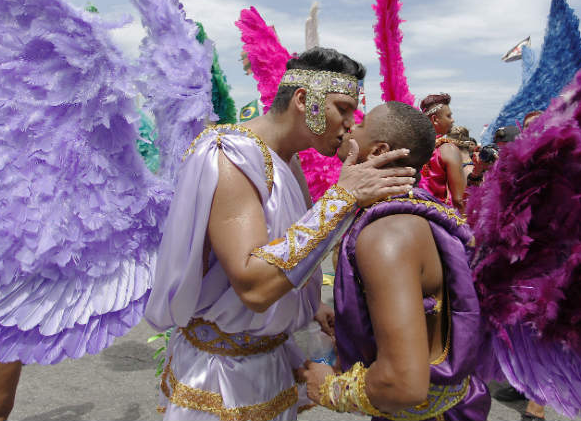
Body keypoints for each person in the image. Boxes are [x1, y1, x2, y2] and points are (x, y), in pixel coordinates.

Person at [145, 47, 415, 420]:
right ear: (305, 100)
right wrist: (342, 198)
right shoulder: (232, 156)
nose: (350, 125)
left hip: (270, 359)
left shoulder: (286, 160)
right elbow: (254, 287)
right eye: (343, 108)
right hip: (222, 379)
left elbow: (281, 251)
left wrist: (309, 303)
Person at [299, 101, 490, 420]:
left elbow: (403, 385)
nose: (349, 127)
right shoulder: (416, 209)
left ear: (377, 151)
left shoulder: (387, 235)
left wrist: (329, 387)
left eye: (360, 123)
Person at [418, 94, 467, 213]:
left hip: (411, 211)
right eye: (449, 116)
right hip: (438, 218)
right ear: (435, 119)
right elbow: (458, 200)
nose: (452, 120)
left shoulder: (411, 146)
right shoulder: (448, 149)